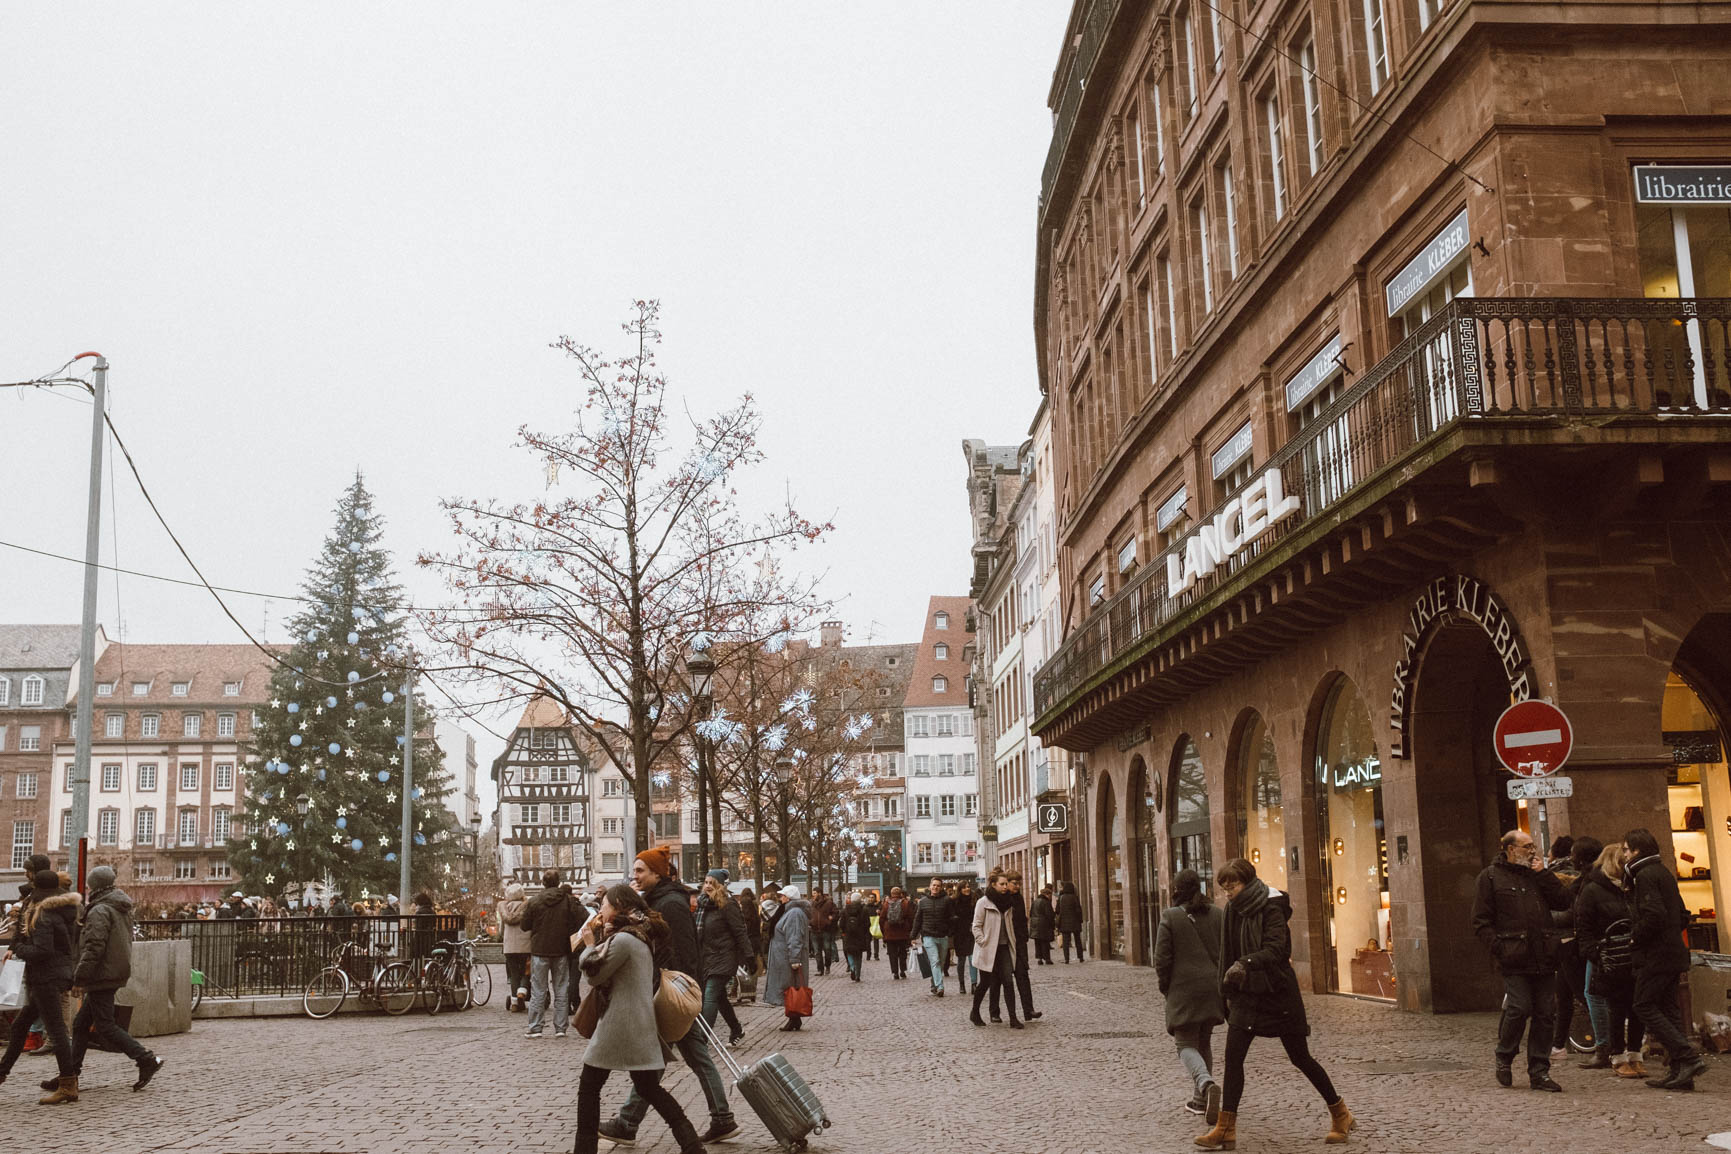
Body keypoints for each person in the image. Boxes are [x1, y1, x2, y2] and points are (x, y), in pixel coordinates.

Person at [1197, 858, 1352, 1150]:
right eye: (1225, 888)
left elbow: (1278, 949)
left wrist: (1246, 962)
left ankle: (1340, 1113)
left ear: (1248, 882)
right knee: (1233, 1058)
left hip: (1277, 993)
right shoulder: (1233, 909)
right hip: (1247, 994)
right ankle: (1225, 1128)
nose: (1228, 893)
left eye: (1233, 886)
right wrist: (1227, 989)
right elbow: (1227, 951)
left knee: (1300, 1058)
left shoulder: (1272, 907)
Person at [600, 846, 739, 1147]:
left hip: (672, 992)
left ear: (656, 874)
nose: (634, 875)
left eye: (640, 871)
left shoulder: (671, 904)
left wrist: (682, 990)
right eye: (635, 870)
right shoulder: (659, 900)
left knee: (658, 1057)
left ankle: (627, 1123)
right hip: (670, 989)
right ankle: (722, 1117)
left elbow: (685, 950)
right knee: (694, 1057)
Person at [572, 883, 707, 1154]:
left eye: (605, 905)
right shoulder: (637, 934)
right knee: (649, 1088)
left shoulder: (624, 940)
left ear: (619, 906)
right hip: (638, 1025)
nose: (601, 910)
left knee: (589, 1088)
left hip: (620, 1026)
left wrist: (589, 945)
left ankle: (584, 1149)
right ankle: (691, 1144)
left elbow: (595, 975)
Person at [1470, 829, 1573, 1091]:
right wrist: (1500, 948)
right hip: (1514, 956)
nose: (1532, 851)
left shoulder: (1537, 876)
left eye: (1533, 847)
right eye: (1526, 847)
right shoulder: (1490, 877)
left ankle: (1539, 1071)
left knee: (1545, 1013)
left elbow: (1562, 901)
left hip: (1544, 954)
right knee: (1519, 1007)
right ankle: (1504, 1055)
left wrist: (1544, 874)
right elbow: (1481, 921)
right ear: (1510, 849)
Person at [1622, 827, 1710, 1090]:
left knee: (1643, 1004)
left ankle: (1687, 1057)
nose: (1623, 855)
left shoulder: (1646, 875)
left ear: (1637, 851)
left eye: (1626, 850)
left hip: (1657, 955)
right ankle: (1680, 1072)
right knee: (1669, 1009)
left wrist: (1634, 938)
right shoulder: (1662, 872)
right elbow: (1682, 914)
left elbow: (1654, 915)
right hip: (1672, 952)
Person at [63, 866, 165, 1093]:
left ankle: (146, 1059)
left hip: (101, 974)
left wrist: (80, 977)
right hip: (112, 971)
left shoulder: (100, 910)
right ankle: (69, 1074)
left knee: (105, 1026)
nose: (88, 889)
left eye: (90, 885)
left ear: (95, 886)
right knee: (81, 1024)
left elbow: (94, 946)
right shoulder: (119, 906)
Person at [0, 870, 81, 1102]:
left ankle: (68, 1084)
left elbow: (42, 951)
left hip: (47, 977)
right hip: (55, 975)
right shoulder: (61, 911)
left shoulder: (44, 915)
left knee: (56, 1031)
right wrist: (17, 946)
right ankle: (2, 1072)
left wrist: (19, 951)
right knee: (20, 1026)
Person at [1155, 869, 1225, 1123]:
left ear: (1177, 890)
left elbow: (1161, 959)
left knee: (1184, 1044)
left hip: (1184, 989)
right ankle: (1199, 1101)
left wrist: (1166, 987)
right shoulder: (1218, 913)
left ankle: (1205, 1084)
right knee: (1204, 1040)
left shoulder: (1171, 917)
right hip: (1213, 988)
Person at [1573, 841, 1644, 1077]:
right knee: (1615, 1006)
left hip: (1632, 955)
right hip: (1609, 956)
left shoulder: (1630, 887)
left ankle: (1635, 1054)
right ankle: (1616, 1054)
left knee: (1636, 1007)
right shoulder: (1593, 889)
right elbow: (1584, 927)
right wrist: (1596, 953)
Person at [1549, 836, 1599, 1062]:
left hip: (1572, 942)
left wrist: (1547, 919)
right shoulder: (1585, 879)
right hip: (1568, 943)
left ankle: (1608, 1043)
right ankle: (1558, 1045)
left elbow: (1574, 912)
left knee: (1582, 994)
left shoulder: (1580, 881)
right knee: (1565, 994)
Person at [521, 869, 581, 1039]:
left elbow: (524, 925)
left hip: (540, 950)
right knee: (561, 989)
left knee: (538, 990)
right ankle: (561, 1028)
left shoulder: (535, 901)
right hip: (561, 950)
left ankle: (535, 1027)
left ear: (543, 883)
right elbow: (582, 918)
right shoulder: (567, 900)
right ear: (559, 882)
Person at [696, 869, 752, 1046]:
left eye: (712, 883)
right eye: (705, 883)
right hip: (708, 958)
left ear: (720, 886)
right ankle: (737, 1029)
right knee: (719, 998)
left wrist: (749, 956)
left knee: (710, 996)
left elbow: (739, 931)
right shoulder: (703, 907)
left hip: (724, 957)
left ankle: (701, 1040)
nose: (707, 886)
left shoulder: (728, 905)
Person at [968, 872, 1021, 1029]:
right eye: (1002, 884)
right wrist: (982, 941)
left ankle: (1013, 1018)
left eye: (1006, 884)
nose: (1005, 887)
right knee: (985, 983)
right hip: (988, 948)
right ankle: (975, 1012)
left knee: (1008, 982)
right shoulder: (983, 902)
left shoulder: (1009, 902)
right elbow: (976, 925)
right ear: (993, 885)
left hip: (1004, 947)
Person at [763, 883, 812, 1032]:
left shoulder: (794, 913)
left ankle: (794, 1018)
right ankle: (794, 1018)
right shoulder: (790, 912)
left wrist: (794, 959)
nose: (780, 898)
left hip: (787, 958)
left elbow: (794, 937)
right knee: (790, 988)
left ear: (789, 898)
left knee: (791, 988)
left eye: (783, 895)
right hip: (784, 957)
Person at [1002, 873, 1041, 1021]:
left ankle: (1028, 1010)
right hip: (1006, 943)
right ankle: (995, 1012)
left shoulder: (1019, 898)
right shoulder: (1003, 898)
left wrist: (1024, 937)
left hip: (1019, 943)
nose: (1017, 886)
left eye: (1019, 883)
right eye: (1014, 883)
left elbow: (1022, 920)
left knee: (1022, 976)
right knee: (1001, 980)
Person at [911, 878, 953, 996]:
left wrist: (950, 930)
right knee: (935, 961)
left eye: (938, 886)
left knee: (942, 962)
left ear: (941, 887)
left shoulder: (947, 900)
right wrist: (913, 936)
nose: (935, 887)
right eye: (934, 885)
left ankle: (934, 983)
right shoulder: (923, 902)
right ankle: (940, 987)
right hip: (928, 936)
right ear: (930, 886)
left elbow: (952, 917)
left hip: (943, 936)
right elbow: (918, 919)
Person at [498, 883, 532, 1012]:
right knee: (526, 971)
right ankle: (522, 992)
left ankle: (514, 1003)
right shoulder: (527, 907)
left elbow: (501, 931)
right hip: (525, 945)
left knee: (513, 974)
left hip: (509, 946)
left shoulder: (504, 908)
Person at [734, 887, 762, 1006]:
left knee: (740, 968)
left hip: (747, 942)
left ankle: (738, 991)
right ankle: (751, 992)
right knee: (751, 967)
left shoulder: (745, 918)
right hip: (755, 941)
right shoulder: (756, 912)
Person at [879, 886, 914, 979]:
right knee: (902, 952)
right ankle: (903, 970)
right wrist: (909, 930)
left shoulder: (886, 904)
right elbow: (911, 917)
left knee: (892, 953)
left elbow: (881, 919)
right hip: (902, 932)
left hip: (889, 933)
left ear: (891, 894)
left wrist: (884, 931)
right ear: (900, 894)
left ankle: (895, 972)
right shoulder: (905, 903)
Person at [950, 880, 977, 996]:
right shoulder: (954, 901)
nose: (967, 889)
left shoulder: (974, 900)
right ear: (960, 889)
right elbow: (950, 916)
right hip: (959, 934)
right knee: (961, 961)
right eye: (964, 887)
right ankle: (961, 984)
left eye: (968, 887)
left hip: (971, 933)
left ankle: (974, 984)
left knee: (972, 960)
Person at [839, 890, 873, 981]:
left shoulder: (845, 910)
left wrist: (844, 931)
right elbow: (868, 924)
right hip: (860, 936)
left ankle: (852, 967)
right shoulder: (864, 910)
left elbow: (841, 924)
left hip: (848, 935)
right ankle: (858, 974)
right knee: (858, 955)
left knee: (849, 952)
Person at [808, 888, 837, 976]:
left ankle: (827, 966)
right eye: (813, 893)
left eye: (815, 893)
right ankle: (820, 969)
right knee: (817, 951)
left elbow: (836, 912)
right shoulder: (811, 904)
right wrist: (810, 921)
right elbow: (807, 913)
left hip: (826, 930)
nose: (813, 895)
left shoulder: (829, 903)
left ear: (820, 893)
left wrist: (831, 918)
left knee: (827, 949)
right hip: (814, 930)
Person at [1056, 880, 1085, 962]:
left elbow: (1057, 910)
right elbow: (1079, 910)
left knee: (1065, 941)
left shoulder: (1061, 897)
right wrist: (1080, 920)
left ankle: (1066, 959)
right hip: (1075, 921)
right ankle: (1081, 957)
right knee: (1077, 940)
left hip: (1064, 922)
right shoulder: (1075, 897)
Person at [1031, 886, 1056, 965]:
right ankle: (1047, 959)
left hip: (1035, 924)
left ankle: (1039, 958)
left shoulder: (1035, 901)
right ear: (1047, 894)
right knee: (1045, 942)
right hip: (1044, 925)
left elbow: (1031, 913)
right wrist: (1052, 924)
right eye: (1050, 895)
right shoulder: (1046, 902)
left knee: (1037, 942)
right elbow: (1049, 914)